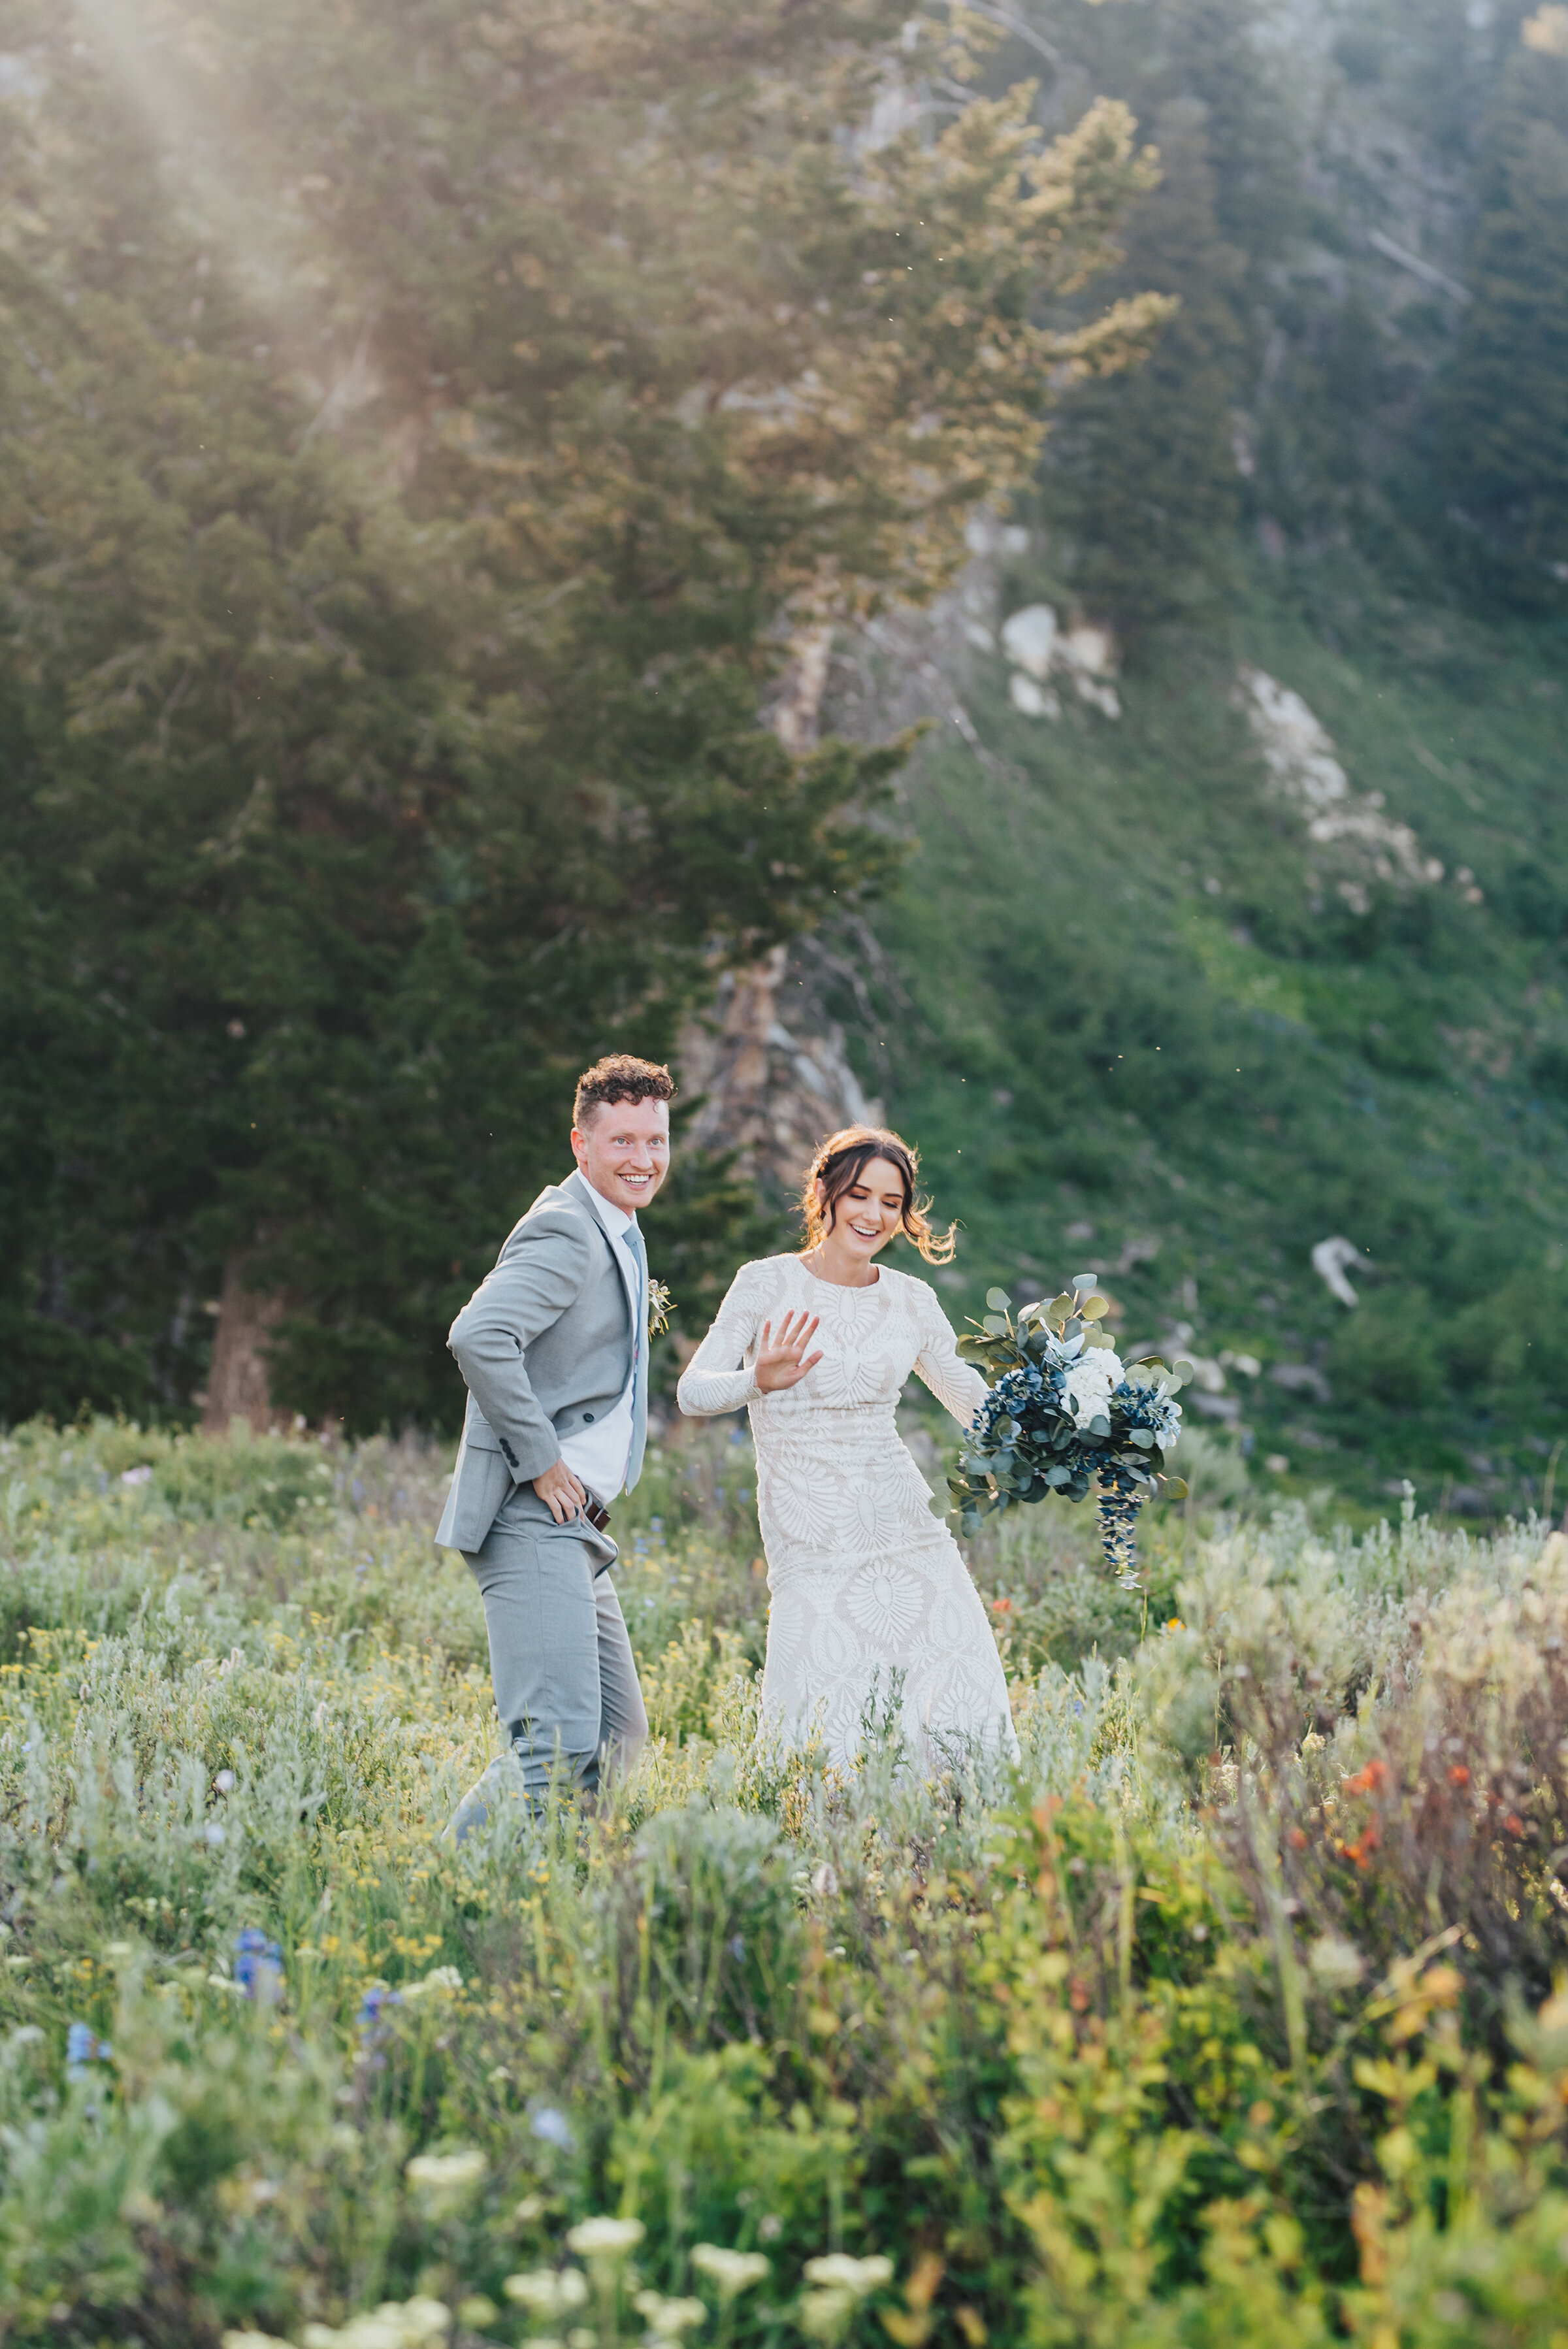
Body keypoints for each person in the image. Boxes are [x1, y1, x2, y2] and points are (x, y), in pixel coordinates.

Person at [676, 1124, 1017, 1773]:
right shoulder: (764, 1284)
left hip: (903, 1525)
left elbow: (973, 1402)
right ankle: (824, 1856)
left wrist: (1066, 1416)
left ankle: (949, 1847)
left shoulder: (912, 1298)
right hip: (811, 1535)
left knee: (956, 1688)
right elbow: (692, 1392)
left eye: (891, 1203)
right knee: (823, 1711)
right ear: (826, 1194)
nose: (874, 1215)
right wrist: (757, 1381)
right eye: (861, 1195)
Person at [436, 1054, 669, 1830]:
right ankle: (459, 1898)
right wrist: (540, 1459)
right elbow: (479, 1334)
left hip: (577, 1526)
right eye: (623, 1142)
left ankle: (567, 1894)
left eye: (656, 1141)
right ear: (582, 1144)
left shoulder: (618, 1230)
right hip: (528, 1514)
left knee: (615, 1738)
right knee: (554, 1747)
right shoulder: (570, 1228)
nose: (643, 1160)